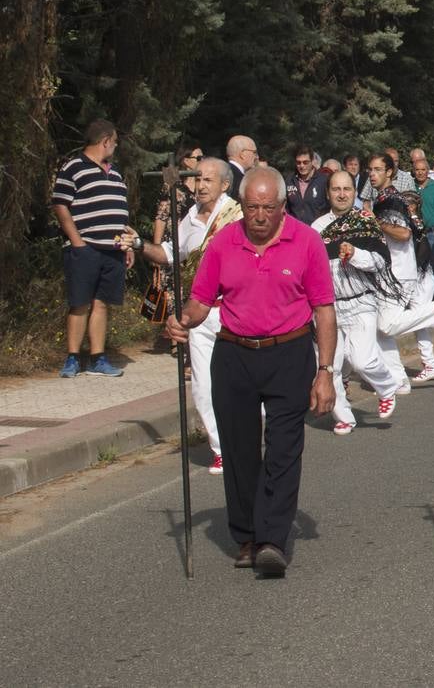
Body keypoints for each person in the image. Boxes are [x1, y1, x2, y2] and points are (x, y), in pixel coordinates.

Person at [164, 167, 337, 575]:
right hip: (235, 354)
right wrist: (182, 320)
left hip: (289, 352)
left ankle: (272, 539)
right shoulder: (224, 242)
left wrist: (325, 370)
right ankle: (246, 536)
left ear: (282, 207)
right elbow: (201, 302)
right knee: (239, 452)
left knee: (283, 449)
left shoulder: (307, 241)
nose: (259, 216)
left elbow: (324, 310)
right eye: (252, 207)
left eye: (268, 208)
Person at [130, 157, 243, 473]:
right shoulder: (190, 218)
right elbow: (168, 253)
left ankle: (253, 426)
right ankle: (221, 448)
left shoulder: (236, 216)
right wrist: (139, 243)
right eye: (197, 179)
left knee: (242, 378)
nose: (201, 185)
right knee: (203, 384)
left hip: (236, 310)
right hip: (199, 312)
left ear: (224, 184)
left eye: (208, 180)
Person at [311, 170, 407, 434]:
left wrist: (355, 254)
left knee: (362, 360)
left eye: (347, 189)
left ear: (354, 192)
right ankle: (343, 416)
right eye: (336, 189)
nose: (342, 194)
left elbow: (378, 261)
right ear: (328, 193)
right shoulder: (317, 228)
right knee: (332, 365)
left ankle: (387, 387)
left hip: (361, 301)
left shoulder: (365, 220)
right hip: (329, 307)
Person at [52, 119, 132, 378]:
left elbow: (117, 210)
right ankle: (73, 358)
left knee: (102, 304)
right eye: (115, 142)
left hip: (113, 249)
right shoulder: (74, 167)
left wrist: (127, 243)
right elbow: (60, 204)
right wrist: (77, 241)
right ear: (105, 141)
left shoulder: (115, 171)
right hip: (85, 248)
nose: (115, 147)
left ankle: (98, 358)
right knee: (80, 303)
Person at [368, 154, 434, 383]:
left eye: (378, 169)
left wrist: (375, 222)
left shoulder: (392, 200)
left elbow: (404, 233)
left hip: (402, 272)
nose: (372, 174)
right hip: (399, 271)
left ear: (390, 172)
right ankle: (405, 374)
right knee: (403, 322)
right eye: (370, 169)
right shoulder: (383, 198)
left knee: (387, 326)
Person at [152, 145, 203, 246]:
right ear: (186, 161)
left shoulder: (203, 181)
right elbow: (162, 215)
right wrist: (156, 246)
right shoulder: (172, 178)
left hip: (195, 242)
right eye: (199, 158)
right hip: (174, 242)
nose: (202, 161)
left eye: (203, 157)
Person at [285, 146, 331, 224]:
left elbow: (329, 207)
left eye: (305, 162)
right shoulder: (289, 181)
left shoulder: (323, 181)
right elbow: (286, 208)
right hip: (295, 229)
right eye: (298, 162)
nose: (302, 166)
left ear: (312, 161)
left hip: (317, 229)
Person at [223, 135, 258, 201]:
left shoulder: (220, 173)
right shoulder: (241, 181)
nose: (256, 157)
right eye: (254, 152)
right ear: (243, 154)